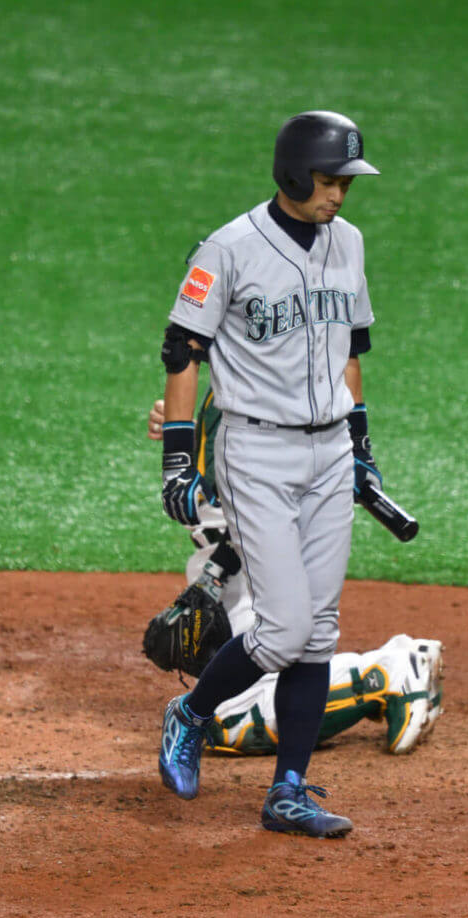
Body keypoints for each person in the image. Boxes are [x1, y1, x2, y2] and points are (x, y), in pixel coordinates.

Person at [155, 110, 383, 836]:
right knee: (283, 630)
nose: (339, 195)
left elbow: (354, 350)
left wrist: (362, 445)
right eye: (328, 180)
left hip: (328, 452)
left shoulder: (349, 244)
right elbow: (181, 351)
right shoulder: (229, 249)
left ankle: (289, 788)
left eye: (346, 182)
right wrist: (176, 460)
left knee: (318, 633)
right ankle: (189, 714)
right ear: (292, 174)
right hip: (256, 451)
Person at [145, 393, 444, 757]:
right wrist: (182, 427)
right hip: (238, 562)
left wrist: (214, 574)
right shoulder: (237, 381)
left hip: (251, 566)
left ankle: (387, 674)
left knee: (231, 718)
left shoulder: (276, 389)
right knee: (226, 680)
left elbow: (273, 500)